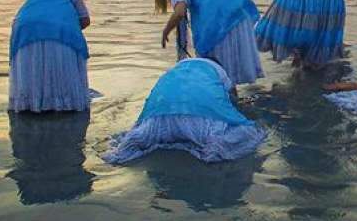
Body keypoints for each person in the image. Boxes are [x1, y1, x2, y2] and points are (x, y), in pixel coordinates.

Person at [103, 58, 267, 164]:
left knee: (139, 137)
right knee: (249, 132)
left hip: (160, 117)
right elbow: (232, 100)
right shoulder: (219, 71)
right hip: (200, 119)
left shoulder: (176, 69)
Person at [155, 0, 263, 88]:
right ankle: (233, 97)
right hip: (241, 10)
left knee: (215, 69)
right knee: (228, 73)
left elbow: (179, 13)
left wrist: (166, 30)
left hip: (221, 16)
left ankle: (226, 101)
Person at [9, 0, 91, 112]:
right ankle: (64, 101)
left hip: (24, 27)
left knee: (33, 66)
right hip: (60, 26)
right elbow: (85, 20)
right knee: (60, 64)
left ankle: (31, 102)